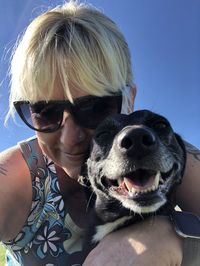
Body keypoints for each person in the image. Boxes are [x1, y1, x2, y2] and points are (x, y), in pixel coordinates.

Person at [0, 1, 200, 265]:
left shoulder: (162, 153)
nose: (70, 139)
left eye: (96, 107)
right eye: (45, 111)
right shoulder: (14, 180)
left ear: (129, 99)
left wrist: (177, 240)